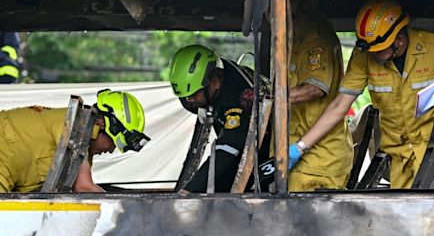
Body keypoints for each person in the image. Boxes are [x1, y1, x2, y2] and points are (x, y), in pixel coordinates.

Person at [289, 0, 434, 189]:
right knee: (404, 213)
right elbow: (339, 106)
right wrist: (300, 147)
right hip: (398, 153)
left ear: (398, 40)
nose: (372, 55)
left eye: (378, 50)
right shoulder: (362, 57)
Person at [0, 89, 150, 193]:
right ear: (102, 124)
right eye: (112, 142)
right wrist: (122, 210)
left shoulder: (81, 153)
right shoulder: (77, 126)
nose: (111, 150)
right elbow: (84, 188)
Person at [169, 44, 269, 193]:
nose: (189, 100)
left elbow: (225, 152)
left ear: (214, 83)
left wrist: (189, 191)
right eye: (185, 97)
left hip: (268, 152)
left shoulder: (238, 102)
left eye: (193, 95)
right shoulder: (215, 75)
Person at [287, 0, 353, 192]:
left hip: (319, 161)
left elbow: (315, 88)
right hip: (303, 153)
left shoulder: (317, 38)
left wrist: (272, 99)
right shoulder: (298, 37)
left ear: (306, 5)